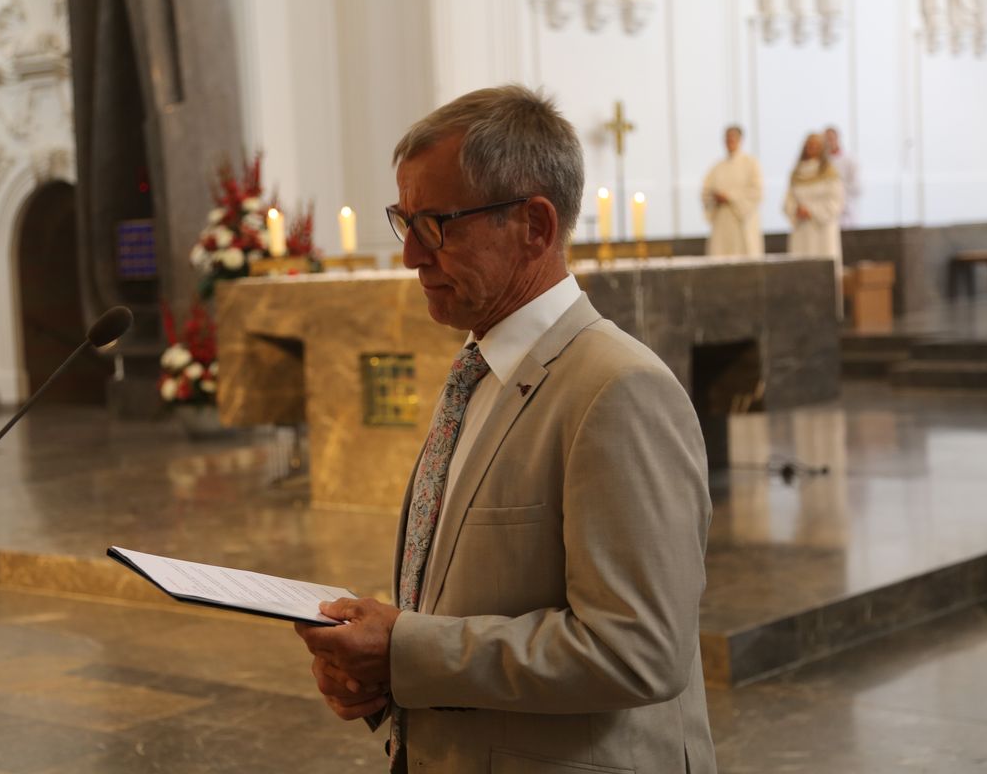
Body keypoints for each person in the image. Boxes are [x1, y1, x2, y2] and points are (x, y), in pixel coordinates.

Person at [295, 85, 716, 773]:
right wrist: (381, 678)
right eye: (405, 221)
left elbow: (638, 652)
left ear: (535, 226)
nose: (410, 256)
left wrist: (405, 651)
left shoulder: (617, 389)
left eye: (436, 224)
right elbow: (473, 600)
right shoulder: (480, 369)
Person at [784, 133, 845, 315]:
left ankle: (828, 311)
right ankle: (802, 310)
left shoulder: (830, 172)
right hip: (802, 229)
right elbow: (788, 200)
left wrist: (812, 211)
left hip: (822, 230)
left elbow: (836, 201)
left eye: (815, 145)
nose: (811, 148)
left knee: (824, 269)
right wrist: (797, 209)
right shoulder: (797, 173)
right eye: (808, 145)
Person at [701, 125, 764, 257]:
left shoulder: (750, 163)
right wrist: (716, 197)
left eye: (733, 137)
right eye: (727, 138)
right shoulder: (717, 167)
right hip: (722, 221)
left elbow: (756, 192)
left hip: (741, 220)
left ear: (740, 139)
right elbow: (706, 192)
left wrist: (730, 197)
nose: (730, 141)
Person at [824, 126, 860, 228]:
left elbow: (856, 185)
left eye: (831, 138)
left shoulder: (849, 159)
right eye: (826, 139)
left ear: (837, 138)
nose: (829, 142)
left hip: (846, 207)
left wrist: (841, 191)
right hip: (827, 208)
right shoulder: (822, 162)